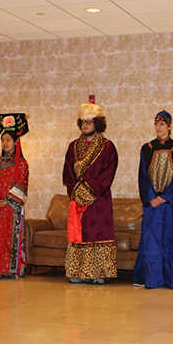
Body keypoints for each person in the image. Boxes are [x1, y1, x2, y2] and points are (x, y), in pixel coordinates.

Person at [63, 103, 119, 284]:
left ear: (98, 123)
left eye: (89, 122)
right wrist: (76, 192)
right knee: (80, 234)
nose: (85, 125)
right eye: (83, 122)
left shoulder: (108, 147)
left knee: (98, 234)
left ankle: (99, 273)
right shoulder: (72, 147)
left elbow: (107, 174)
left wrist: (89, 190)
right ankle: (77, 272)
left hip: (99, 198)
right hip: (77, 198)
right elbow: (67, 174)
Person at [133, 110, 173, 289]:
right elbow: (142, 177)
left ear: (170, 126)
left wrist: (164, 197)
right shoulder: (146, 148)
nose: (158, 127)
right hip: (152, 203)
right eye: (156, 124)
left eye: (162, 124)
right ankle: (148, 276)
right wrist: (151, 198)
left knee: (171, 238)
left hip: (170, 203)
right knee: (151, 238)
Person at [0, 113, 30, 280]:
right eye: (3, 140)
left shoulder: (22, 163)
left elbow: (22, 183)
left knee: (11, 237)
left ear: (16, 142)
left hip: (12, 207)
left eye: (8, 140)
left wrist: (8, 200)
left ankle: (13, 269)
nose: (5, 143)